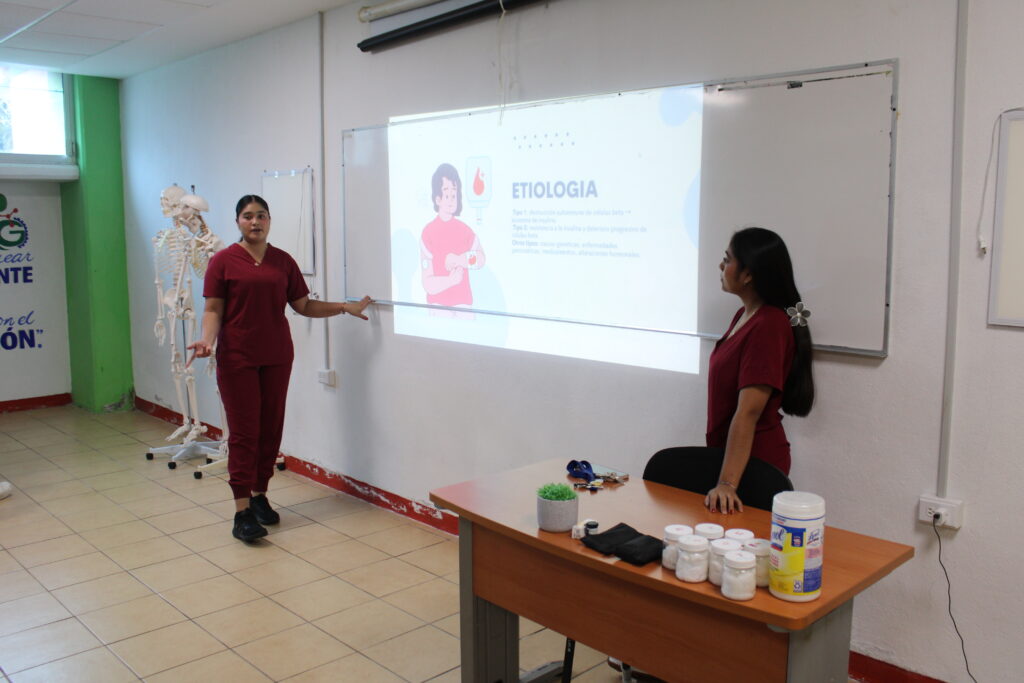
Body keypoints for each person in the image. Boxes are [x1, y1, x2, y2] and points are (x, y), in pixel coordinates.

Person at [187, 195, 372, 542]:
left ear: (269, 220)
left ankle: (260, 495)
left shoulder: (283, 261)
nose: (255, 222)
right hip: (237, 358)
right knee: (244, 433)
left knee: (270, 428)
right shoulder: (223, 261)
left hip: (277, 356)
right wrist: (206, 340)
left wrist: (343, 307)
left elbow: (303, 305)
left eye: (261, 216)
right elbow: (213, 309)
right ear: (238, 222)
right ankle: (241, 511)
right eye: (248, 216)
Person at [703, 226, 814, 513]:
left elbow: (748, 412)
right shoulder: (744, 315)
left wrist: (727, 484)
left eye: (727, 259)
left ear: (748, 274)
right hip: (732, 460)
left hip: (754, 466)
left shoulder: (769, 325)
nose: (721, 266)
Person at [420, 163, 485, 308]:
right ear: (437, 199)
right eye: (446, 194)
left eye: (454, 195)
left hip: (463, 306)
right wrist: (450, 281)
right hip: (437, 307)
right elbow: (427, 283)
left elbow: (481, 259)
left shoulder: (465, 230)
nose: (451, 199)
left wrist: (460, 259)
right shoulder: (428, 233)